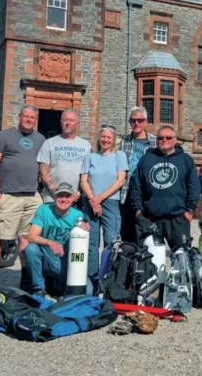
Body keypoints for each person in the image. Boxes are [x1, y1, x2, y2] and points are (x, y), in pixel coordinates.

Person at [0, 105, 45, 285]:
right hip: (8, 194)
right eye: (25, 116)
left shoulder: (40, 139)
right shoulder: (4, 136)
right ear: (19, 117)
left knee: (26, 237)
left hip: (32, 195)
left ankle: (25, 278)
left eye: (32, 118)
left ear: (36, 120)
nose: (28, 120)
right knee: (0, 236)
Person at [129, 124, 200, 249]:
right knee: (147, 260)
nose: (164, 140)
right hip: (150, 218)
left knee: (181, 259)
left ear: (175, 140)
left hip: (178, 219)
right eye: (161, 138)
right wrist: (138, 210)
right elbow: (136, 185)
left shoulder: (185, 160)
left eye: (168, 137)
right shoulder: (147, 159)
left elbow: (194, 186)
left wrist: (189, 210)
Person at [79, 124, 128, 293]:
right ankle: (91, 283)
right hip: (90, 202)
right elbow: (83, 180)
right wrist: (93, 199)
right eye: (103, 137)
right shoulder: (90, 157)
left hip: (110, 202)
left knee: (110, 242)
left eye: (109, 137)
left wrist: (100, 198)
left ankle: (108, 283)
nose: (106, 140)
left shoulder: (119, 156)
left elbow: (120, 181)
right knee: (91, 244)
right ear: (99, 139)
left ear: (113, 140)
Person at [24, 182, 90, 296]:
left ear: (73, 198)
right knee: (30, 249)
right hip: (47, 255)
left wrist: (85, 228)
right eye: (60, 195)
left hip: (65, 259)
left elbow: (82, 243)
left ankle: (56, 284)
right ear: (54, 196)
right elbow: (31, 236)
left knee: (88, 291)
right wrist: (51, 243)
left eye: (67, 196)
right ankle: (38, 288)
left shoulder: (78, 215)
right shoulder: (44, 209)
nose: (63, 199)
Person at [118, 106, 156, 241]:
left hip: (146, 192)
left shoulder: (154, 142)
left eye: (140, 120)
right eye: (133, 121)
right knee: (126, 232)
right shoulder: (124, 142)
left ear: (145, 122)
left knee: (144, 232)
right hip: (127, 191)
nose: (136, 124)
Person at [37, 108, 91, 203]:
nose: (68, 123)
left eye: (71, 120)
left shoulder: (86, 145)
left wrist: (78, 193)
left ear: (77, 123)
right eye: (65, 120)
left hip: (75, 198)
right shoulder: (49, 143)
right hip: (52, 197)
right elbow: (43, 171)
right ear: (60, 122)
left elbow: (88, 174)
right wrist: (54, 192)